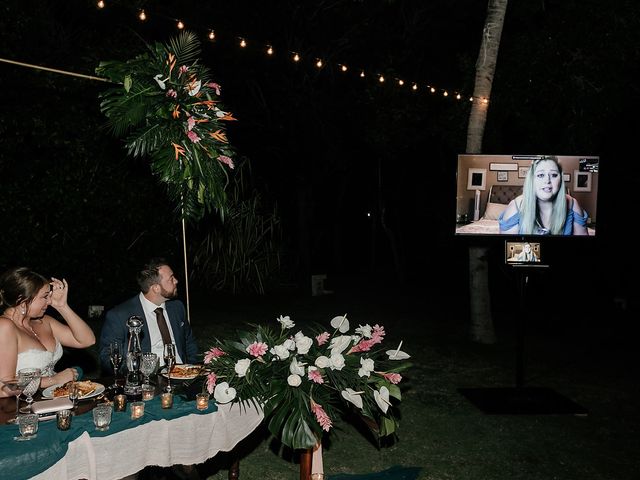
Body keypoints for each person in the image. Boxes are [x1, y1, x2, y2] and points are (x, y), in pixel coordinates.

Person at [0, 267, 96, 397]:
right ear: (23, 300)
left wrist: (62, 306)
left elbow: (87, 340)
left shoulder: (44, 321)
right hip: (17, 407)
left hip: (50, 399)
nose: (49, 301)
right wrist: (53, 380)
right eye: (45, 297)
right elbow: (4, 387)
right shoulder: (5, 326)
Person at [99, 258, 199, 374]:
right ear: (156, 288)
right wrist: (135, 373)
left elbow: (189, 342)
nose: (176, 281)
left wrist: (190, 369)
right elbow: (107, 357)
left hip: (182, 375)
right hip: (148, 381)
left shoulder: (177, 308)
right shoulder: (120, 315)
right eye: (171, 278)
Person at [499, 156, 589, 235]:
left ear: (560, 179)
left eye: (554, 175)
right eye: (541, 175)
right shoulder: (515, 207)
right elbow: (508, 250)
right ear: (532, 180)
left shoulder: (572, 205)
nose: (547, 181)